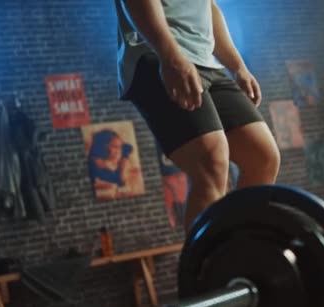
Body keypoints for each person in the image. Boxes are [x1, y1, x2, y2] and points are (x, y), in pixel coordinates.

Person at [114, 0, 281, 232]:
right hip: (155, 53)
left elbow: (209, 7)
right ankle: (208, 264)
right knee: (210, 159)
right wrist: (169, 56)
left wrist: (237, 66)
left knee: (262, 156)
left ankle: (242, 245)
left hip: (206, 61)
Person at [88, 129, 141, 199]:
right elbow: (121, 190)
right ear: (102, 148)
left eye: (120, 147)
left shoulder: (121, 163)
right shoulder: (97, 168)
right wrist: (122, 173)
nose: (118, 151)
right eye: (115, 147)